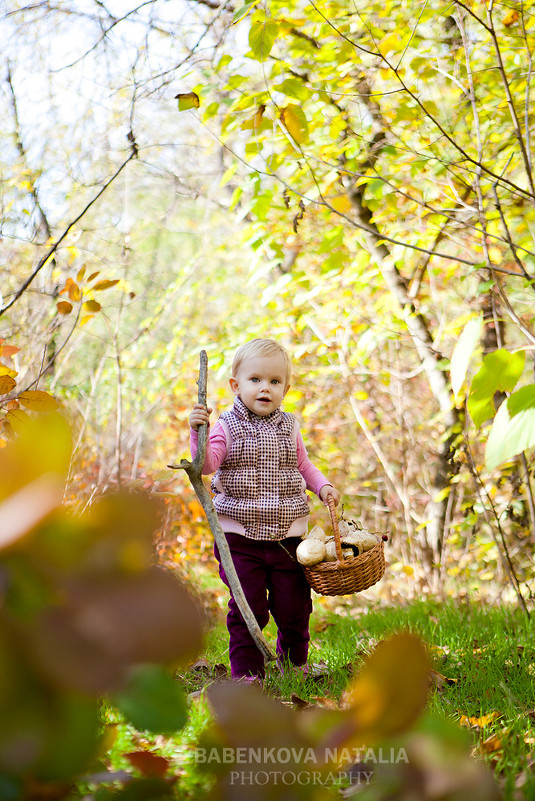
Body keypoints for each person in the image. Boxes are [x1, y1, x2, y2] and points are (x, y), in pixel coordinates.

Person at [189, 338, 341, 684]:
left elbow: (303, 465)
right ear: (235, 385)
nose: (264, 388)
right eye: (255, 380)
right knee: (249, 608)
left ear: (285, 388)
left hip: (287, 536)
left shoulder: (290, 427)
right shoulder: (227, 426)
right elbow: (208, 464)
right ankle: (247, 674)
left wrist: (323, 486)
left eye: (274, 382)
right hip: (239, 537)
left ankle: (294, 663)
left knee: (294, 605)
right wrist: (199, 432)